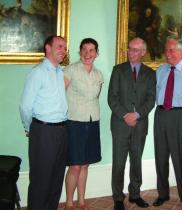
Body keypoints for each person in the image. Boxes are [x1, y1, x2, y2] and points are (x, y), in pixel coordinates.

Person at [19, 35, 68, 210]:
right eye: (60, 46)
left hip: (62, 130)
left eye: (65, 47)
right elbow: (25, 106)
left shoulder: (60, 72)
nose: (63, 50)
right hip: (44, 131)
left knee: (56, 179)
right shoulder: (38, 72)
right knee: (41, 180)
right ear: (48, 48)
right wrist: (29, 128)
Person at [108, 37, 156, 210]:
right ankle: (118, 198)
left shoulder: (150, 74)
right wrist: (125, 115)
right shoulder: (118, 70)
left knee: (136, 160)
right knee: (119, 162)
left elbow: (151, 99)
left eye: (136, 50)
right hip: (120, 125)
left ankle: (135, 194)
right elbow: (112, 98)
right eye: (130, 49)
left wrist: (136, 115)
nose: (131, 52)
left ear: (143, 52)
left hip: (140, 124)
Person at [153, 36, 182, 209]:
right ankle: (162, 194)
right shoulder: (160, 70)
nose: (168, 53)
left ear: (181, 52)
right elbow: (157, 91)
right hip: (161, 115)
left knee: (180, 158)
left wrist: (181, 112)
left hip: (180, 116)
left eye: (172, 50)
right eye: (166, 50)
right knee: (161, 157)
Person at [63, 38, 103, 210]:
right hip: (74, 123)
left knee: (85, 164)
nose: (88, 54)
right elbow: (59, 96)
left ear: (96, 53)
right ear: (79, 52)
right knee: (75, 166)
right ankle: (69, 202)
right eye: (84, 50)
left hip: (92, 121)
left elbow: (95, 97)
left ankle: (81, 201)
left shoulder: (98, 74)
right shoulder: (69, 70)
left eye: (91, 50)